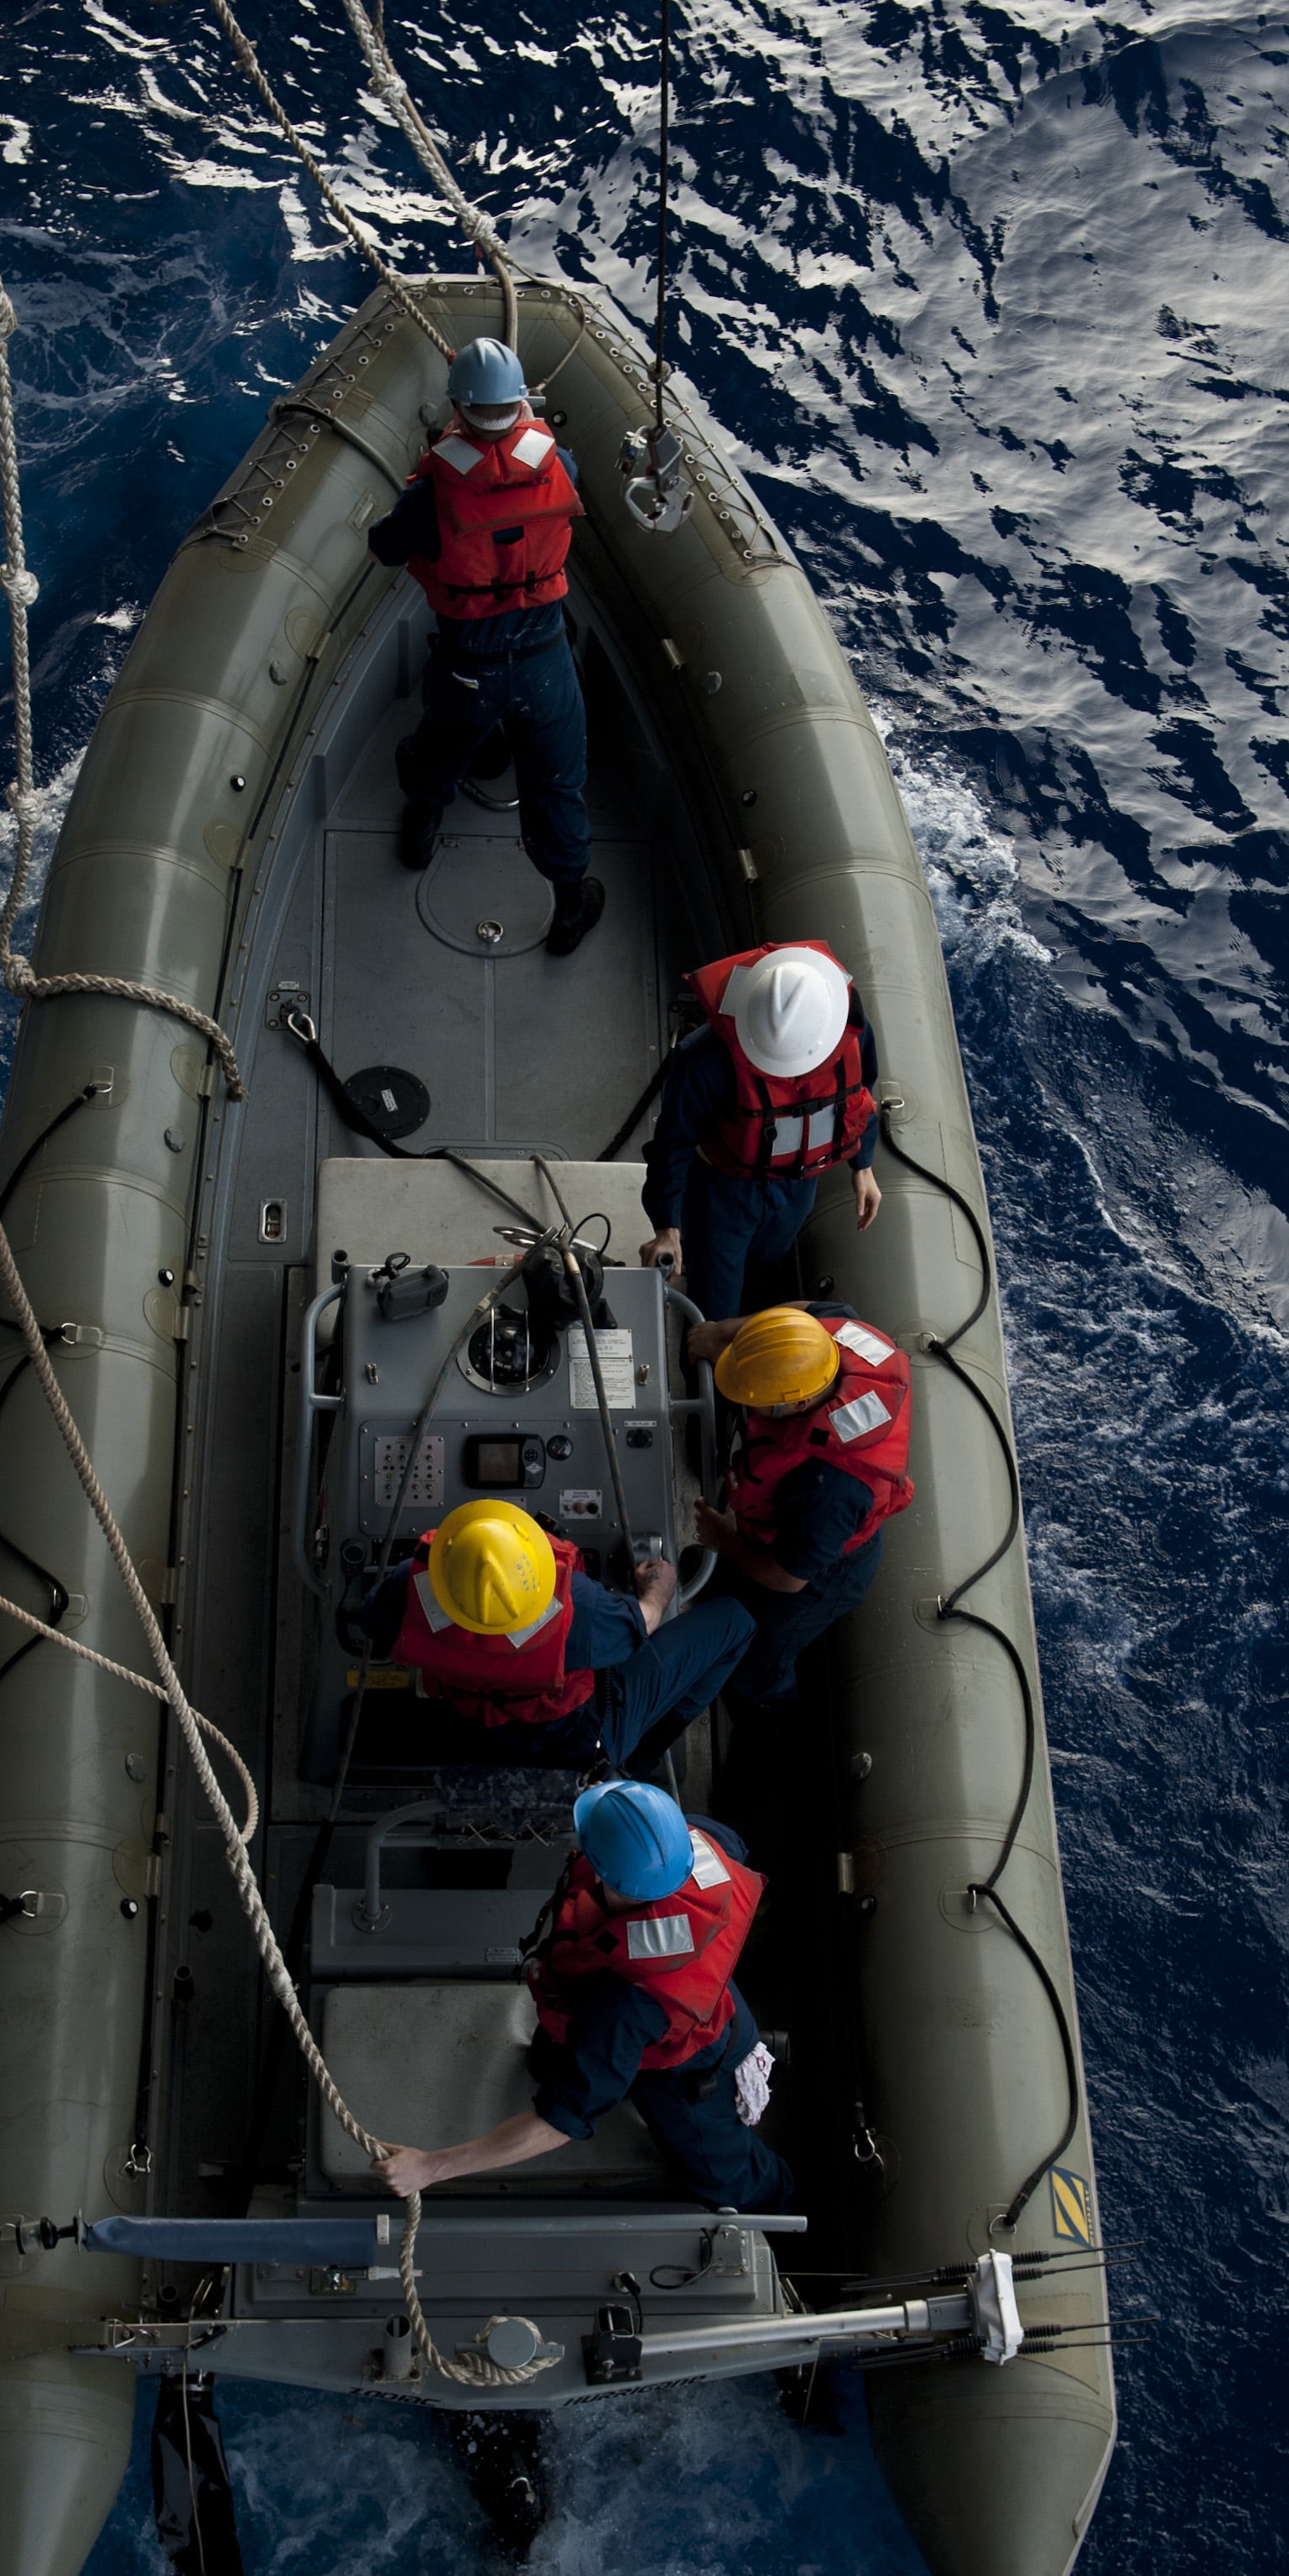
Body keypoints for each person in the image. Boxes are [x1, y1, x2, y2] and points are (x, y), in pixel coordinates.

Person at [377, 1780, 792, 2212]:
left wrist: (429, 2168)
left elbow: (561, 2122)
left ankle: (781, 2201)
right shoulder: (689, 1842)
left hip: (682, 2066)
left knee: (723, 2176)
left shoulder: (625, 2003)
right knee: (551, 2060)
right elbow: (723, 1844)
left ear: (602, 1866)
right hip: (683, 1997)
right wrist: (619, 1803)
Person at [366, 335, 606, 957]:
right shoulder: (563, 466)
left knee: (440, 747)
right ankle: (570, 905)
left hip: (469, 663)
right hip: (543, 657)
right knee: (557, 782)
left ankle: (421, 828)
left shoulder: (433, 495)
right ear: (520, 404)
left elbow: (387, 546)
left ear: (460, 410)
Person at [358, 1496, 752, 1774]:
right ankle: (636, 1760)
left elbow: (372, 1620)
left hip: (475, 1728)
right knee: (735, 1622)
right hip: (576, 1739)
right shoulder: (577, 1608)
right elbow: (641, 1624)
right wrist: (659, 1589)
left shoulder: (405, 1586)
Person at [639, 939, 881, 1320]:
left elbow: (860, 1092)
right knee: (714, 1304)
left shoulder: (852, 1028)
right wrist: (667, 1227)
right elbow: (673, 1145)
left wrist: (863, 1166)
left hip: (798, 1188)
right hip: (724, 1194)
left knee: (767, 1260)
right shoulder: (704, 1061)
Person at [689, 1301, 913, 1706]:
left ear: (795, 1405)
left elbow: (788, 1577)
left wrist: (723, 1540)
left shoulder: (829, 1485)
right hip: (776, 1525)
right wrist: (725, 1333)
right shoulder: (829, 1341)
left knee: (758, 1668)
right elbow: (807, 1310)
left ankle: (770, 1740)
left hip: (820, 1574)